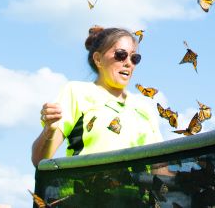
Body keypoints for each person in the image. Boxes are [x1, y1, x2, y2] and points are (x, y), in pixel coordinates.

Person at [31, 26, 162, 166]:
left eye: (134, 58)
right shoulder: (76, 92)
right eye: (120, 55)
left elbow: (160, 167)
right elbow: (39, 160)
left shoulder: (144, 108)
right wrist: (49, 131)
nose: (129, 63)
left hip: (138, 188)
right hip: (86, 187)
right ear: (98, 59)